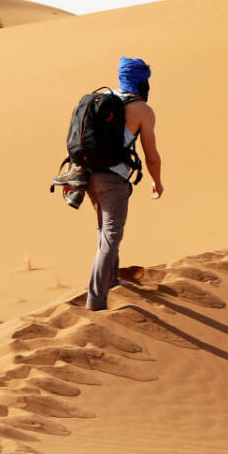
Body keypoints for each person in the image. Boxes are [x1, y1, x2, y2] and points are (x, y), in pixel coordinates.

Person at [85, 57, 163, 311]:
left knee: (104, 232)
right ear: (141, 81)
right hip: (113, 181)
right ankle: (96, 300)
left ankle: (113, 281)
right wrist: (157, 181)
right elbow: (151, 154)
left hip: (88, 177)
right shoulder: (141, 110)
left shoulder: (100, 102)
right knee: (111, 236)